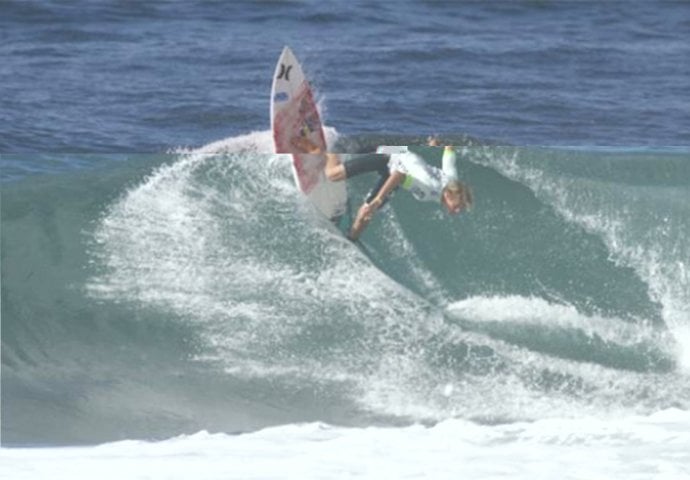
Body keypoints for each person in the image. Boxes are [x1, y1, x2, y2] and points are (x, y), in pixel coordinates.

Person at [291, 136, 472, 240]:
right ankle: (322, 149)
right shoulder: (429, 189)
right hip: (390, 156)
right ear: (450, 194)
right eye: (458, 206)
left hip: (401, 156)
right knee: (332, 175)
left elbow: (449, 157)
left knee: (365, 215)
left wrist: (439, 145)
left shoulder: (452, 181)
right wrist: (378, 200)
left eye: (460, 209)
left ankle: (350, 240)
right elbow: (399, 176)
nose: (457, 211)